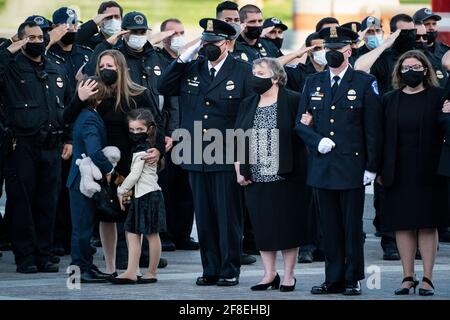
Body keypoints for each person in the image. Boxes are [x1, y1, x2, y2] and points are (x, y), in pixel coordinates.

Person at [158, 18, 254, 286]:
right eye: (205, 42)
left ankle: (229, 268)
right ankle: (210, 268)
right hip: (196, 153)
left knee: (228, 217)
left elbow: (249, 115)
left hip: (226, 155)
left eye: (213, 43)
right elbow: (162, 87)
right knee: (205, 218)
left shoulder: (243, 71)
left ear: (227, 44)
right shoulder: (192, 68)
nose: (208, 47)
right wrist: (180, 60)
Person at [295, 26, 382, 295]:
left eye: (336, 50)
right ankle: (332, 277)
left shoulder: (364, 82)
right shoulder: (313, 82)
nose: (331, 54)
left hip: (352, 166)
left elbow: (373, 129)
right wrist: (315, 140)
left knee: (351, 226)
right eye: (327, 50)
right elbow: (300, 123)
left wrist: (372, 166)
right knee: (328, 227)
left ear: (349, 50)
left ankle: (351, 277)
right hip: (323, 166)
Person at [64, 49, 166, 274]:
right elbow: (67, 118)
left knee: (132, 216)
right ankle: (110, 266)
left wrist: (158, 150)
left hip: (131, 164)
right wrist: (78, 98)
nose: (106, 70)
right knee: (107, 215)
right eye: (102, 66)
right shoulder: (95, 92)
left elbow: (156, 124)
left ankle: (133, 267)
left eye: (111, 66)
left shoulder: (138, 93)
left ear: (121, 68)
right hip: (103, 164)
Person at [0, 21, 71, 273]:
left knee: (47, 202)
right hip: (22, 144)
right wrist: (9, 48)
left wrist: (69, 139)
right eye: (30, 37)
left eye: (40, 37)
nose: (37, 41)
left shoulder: (54, 67)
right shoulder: (11, 68)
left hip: (52, 144)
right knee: (22, 203)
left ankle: (44, 253)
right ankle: (26, 257)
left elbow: (68, 105)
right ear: (20, 40)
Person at [235, 58, 309, 292]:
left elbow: (304, 134)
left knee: (287, 226)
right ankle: (269, 274)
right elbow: (239, 138)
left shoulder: (294, 100)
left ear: (276, 77)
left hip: (287, 174)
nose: (255, 76)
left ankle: (289, 275)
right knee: (262, 226)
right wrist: (239, 168)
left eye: (261, 73)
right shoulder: (248, 103)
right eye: (253, 72)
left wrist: (307, 125)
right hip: (256, 175)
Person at [379, 50, 447, 296]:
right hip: (397, 169)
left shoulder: (439, 97)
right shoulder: (389, 99)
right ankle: (408, 277)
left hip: (430, 170)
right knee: (403, 224)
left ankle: (428, 278)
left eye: (416, 67)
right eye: (406, 67)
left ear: (426, 70)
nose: (411, 71)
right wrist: (378, 169)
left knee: (427, 224)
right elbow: (380, 136)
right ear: (399, 72)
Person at [355, 13, 416, 261]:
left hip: (413, 130)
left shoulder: (418, 56)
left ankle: (415, 239)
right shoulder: (382, 57)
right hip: (385, 131)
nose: (411, 37)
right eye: (405, 32)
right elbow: (360, 68)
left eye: (413, 31)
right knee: (386, 187)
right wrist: (385, 45)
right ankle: (390, 240)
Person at [108, 108, 166, 284]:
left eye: (139, 130)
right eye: (132, 130)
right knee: (143, 234)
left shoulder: (142, 149)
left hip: (146, 195)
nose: (135, 133)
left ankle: (141, 271)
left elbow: (134, 175)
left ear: (149, 129)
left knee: (141, 233)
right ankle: (142, 271)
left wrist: (121, 190)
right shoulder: (147, 146)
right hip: (148, 194)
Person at [67, 77, 115, 283]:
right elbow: (94, 151)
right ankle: (79, 271)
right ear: (98, 100)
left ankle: (87, 265)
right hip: (82, 182)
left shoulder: (84, 114)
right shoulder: (89, 119)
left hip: (81, 181)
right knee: (82, 229)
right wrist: (109, 169)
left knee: (84, 227)